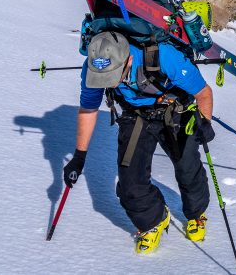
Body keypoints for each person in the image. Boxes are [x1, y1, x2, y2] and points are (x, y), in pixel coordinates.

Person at [61, 31, 215, 254]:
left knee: (187, 166)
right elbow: (89, 108)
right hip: (136, 114)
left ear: (129, 59)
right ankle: (154, 220)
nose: (108, 83)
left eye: (113, 76)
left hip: (176, 111)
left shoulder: (164, 56)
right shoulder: (94, 66)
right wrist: (79, 156)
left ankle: (196, 213)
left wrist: (205, 123)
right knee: (130, 181)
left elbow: (203, 92)